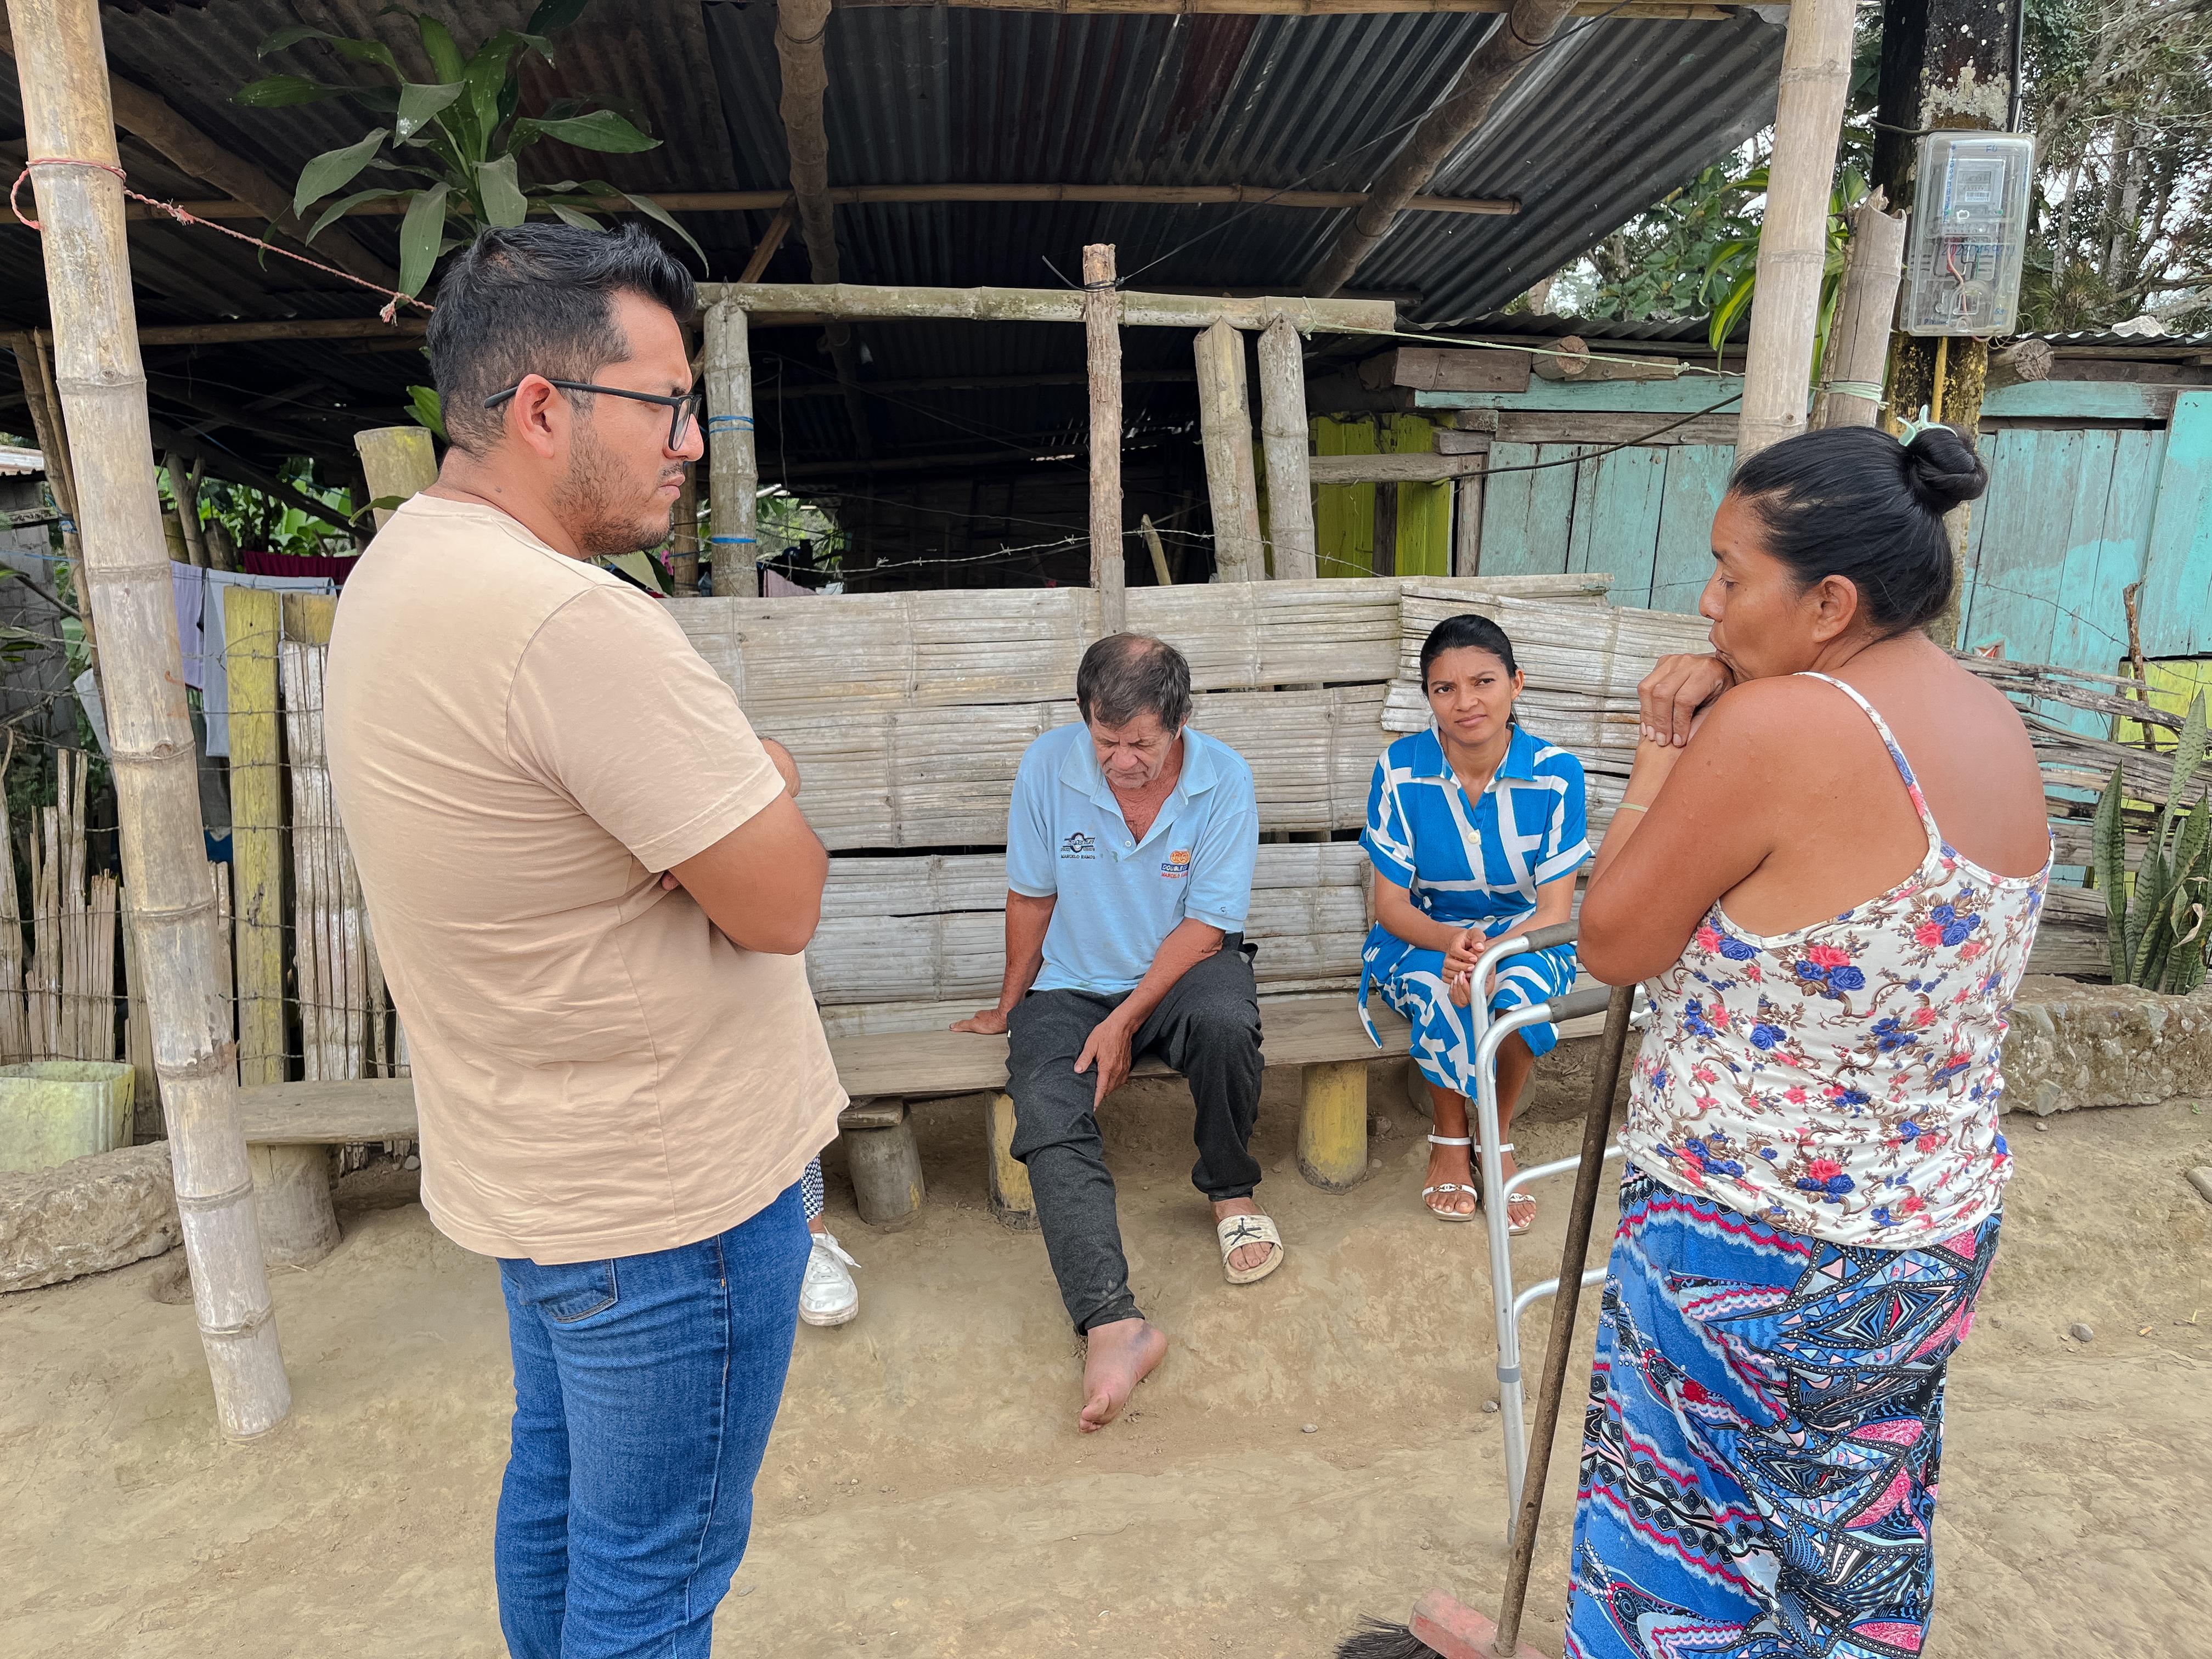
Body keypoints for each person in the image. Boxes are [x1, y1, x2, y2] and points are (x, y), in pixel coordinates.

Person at [324, 222, 845, 1659]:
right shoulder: (567, 622)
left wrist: (718, 809)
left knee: (561, 1507)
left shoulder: (404, 571)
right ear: (545, 409)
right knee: (653, 1587)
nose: (692, 442)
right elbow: (783, 898)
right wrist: (767, 776)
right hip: (670, 1203)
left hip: (546, 1175)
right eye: (665, 404)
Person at [1565, 423, 2050, 1657]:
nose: (1709, 603)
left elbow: (1613, 938)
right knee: (1846, 1551)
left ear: (1829, 602)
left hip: (1754, 1238)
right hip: (1924, 1237)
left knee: (1688, 1563)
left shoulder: (1775, 728)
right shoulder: (1991, 719)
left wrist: (1661, 753)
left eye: (1731, 574)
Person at [952, 633, 1274, 1432]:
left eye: (1141, 744)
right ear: (1084, 718)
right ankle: (1111, 1321)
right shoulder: (1048, 766)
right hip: (1071, 983)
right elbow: (1032, 898)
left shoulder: (1225, 778)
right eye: (1106, 741)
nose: (1122, 762)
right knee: (1045, 1100)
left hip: (1187, 968)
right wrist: (1010, 1006)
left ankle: (1231, 1190)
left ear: (1181, 721)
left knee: (1226, 1022)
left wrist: (1125, 1021)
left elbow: (1207, 927)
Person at [1359, 614, 1589, 1231]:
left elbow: (1554, 911)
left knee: (1517, 993)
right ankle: (1451, 1136)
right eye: (1445, 688)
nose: (1465, 703)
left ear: (1517, 683)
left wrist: (1490, 955)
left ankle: (1496, 1133)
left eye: (1483, 681)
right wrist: (1453, 948)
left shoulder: (1557, 773)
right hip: (1423, 932)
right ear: (1428, 697)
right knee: (1441, 987)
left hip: (1525, 934)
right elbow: (1391, 906)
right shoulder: (1400, 769)